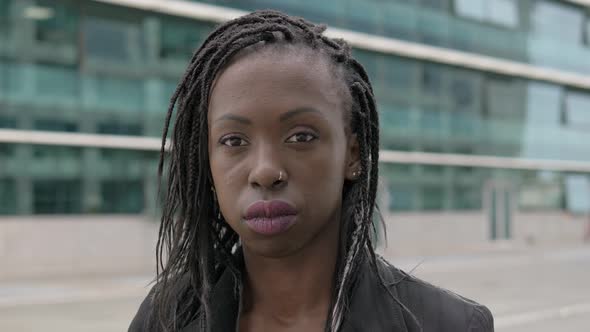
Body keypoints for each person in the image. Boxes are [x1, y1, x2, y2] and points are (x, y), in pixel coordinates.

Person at [129, 10, 494, 332]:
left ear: (353, 155)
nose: (266, 171)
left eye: (301, 136)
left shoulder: (450, 325)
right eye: (234, 141)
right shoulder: (164, 320)